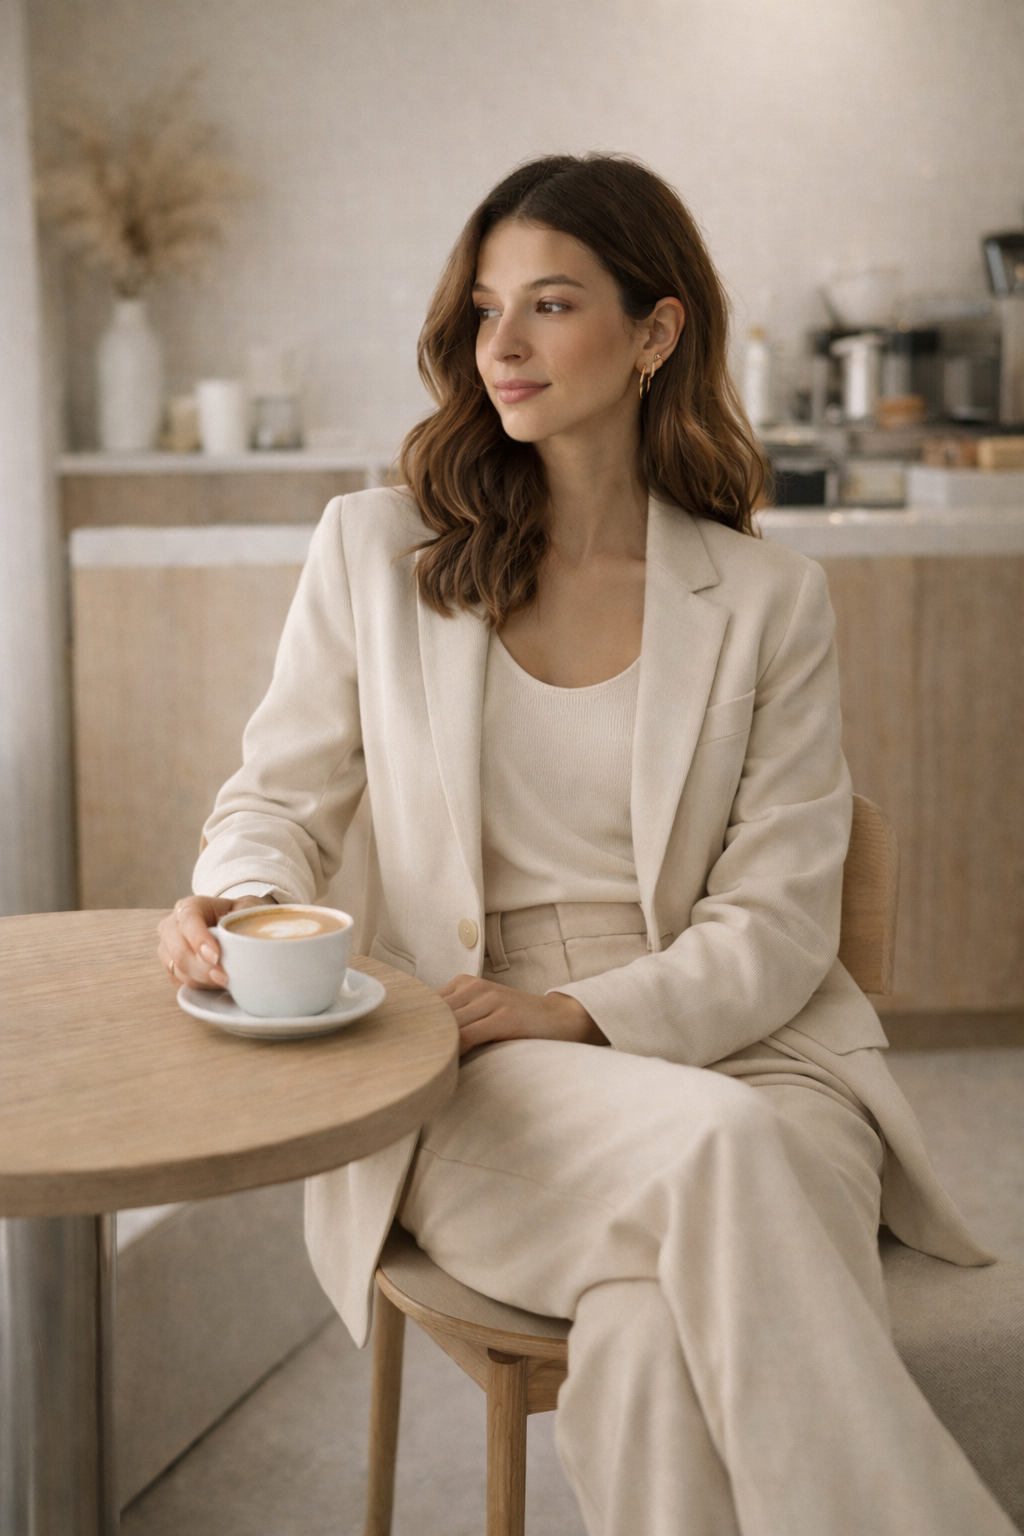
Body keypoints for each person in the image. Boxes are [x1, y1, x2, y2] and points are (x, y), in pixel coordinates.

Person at [157, 155, 1014, 1536]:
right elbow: (276, 800)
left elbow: (784, 924)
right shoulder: (377, 551)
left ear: (657, 331)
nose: (501, 346)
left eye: (549, 304)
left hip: (758, 1052)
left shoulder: (769, 599)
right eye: (485, 308)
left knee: (663, 1325)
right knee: (715, 1168)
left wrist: (581, 1010)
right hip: (476, 1057)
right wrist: (243, 904)